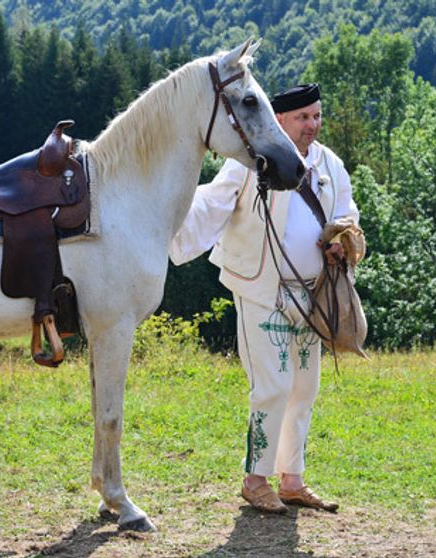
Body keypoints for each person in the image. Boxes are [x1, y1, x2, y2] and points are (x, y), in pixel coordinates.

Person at [169, 83, 358, 514]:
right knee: (272, 385)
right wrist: (170, 215)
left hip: (314, 294)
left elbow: (347, 212)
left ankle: (292, 479)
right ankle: (255, 480)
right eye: (303, 117)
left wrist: (341, 239)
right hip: (260, 290)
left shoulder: (329, 163)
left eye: (316, 115)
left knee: (304, 387)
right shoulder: (250, 161)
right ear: (281, 120)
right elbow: (213, 203)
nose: (312, 124)